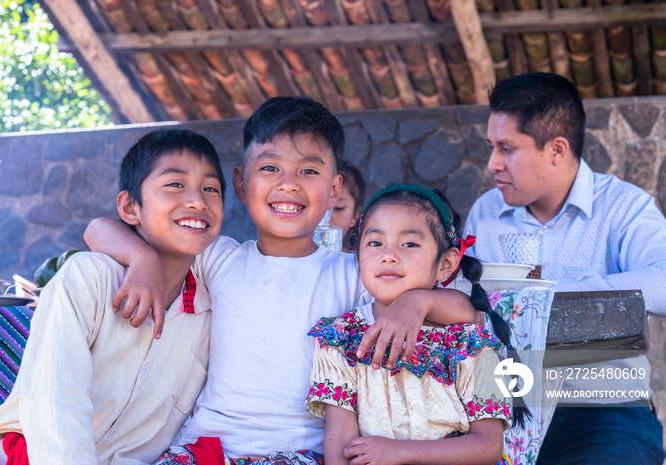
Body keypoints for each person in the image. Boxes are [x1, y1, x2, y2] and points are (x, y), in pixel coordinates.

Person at [84, 96, 479, 464]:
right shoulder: (216, 256)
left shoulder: (353, 272)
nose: (288, 183)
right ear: (240, 183)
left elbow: (467, 313)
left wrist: (418, 302)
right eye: (270, 167)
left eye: (308, 170)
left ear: (334, 190)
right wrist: (141, 258)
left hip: (302, 451)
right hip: (205, 447)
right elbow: (99, 228)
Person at [0, 128, 225, 464]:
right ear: (131, 207)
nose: (197, 201)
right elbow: (56, 402)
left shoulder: (212, 310)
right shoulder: (89, 278)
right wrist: (142, 258)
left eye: (211, 189)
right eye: (175, 184)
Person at [464, 72, 666, 464]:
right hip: (505, 406)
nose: (492, 164)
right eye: (492, 147)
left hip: (604, 406)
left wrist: (562, 293)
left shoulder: (625, 207)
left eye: (507, 148)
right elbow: (464, 298)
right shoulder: (486, 212)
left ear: (557, 149)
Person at [306, 184, 516, 465]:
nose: (388, 255)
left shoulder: (470, 344)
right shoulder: (341, 339)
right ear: (357, 253)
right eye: (375, 242)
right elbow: (340, 447)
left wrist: (399, 452)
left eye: (410, 244)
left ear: (446, 263)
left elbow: (488, 446)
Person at [330, 160, 366, 252]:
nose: (327, 218)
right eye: (319, 207)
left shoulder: (358, 265)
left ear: (355, 215)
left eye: (338, 208)